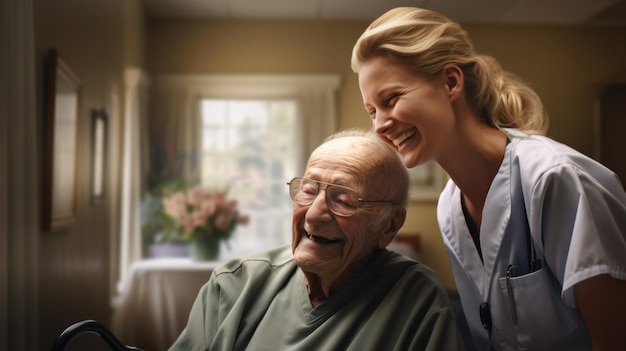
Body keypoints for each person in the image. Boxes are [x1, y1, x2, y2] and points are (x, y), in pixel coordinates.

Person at [351, 6, 626, 351]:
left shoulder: (555, 179)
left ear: (451, 82)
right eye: (372, 111)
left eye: (390, 99)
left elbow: (615, 339)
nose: (379, 126)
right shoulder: (450, 207)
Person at [169, 129, 465, 351]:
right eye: (308, 190)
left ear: (389, 226)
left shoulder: (418, 300)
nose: (313, 215)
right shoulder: (234, 284)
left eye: (344, 199)